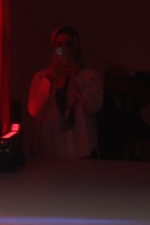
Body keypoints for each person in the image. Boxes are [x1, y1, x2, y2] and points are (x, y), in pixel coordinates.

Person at [27, 26, 103, 158]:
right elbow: (34, 111)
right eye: (59, 46)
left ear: (77, 47)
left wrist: (76, 79)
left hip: (82, 150)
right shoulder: (41, 77)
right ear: (54, 49)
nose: (64, 49)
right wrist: (48, 80)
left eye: (69, 44)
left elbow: (94, 107)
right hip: (50, 151)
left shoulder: (90, 76)